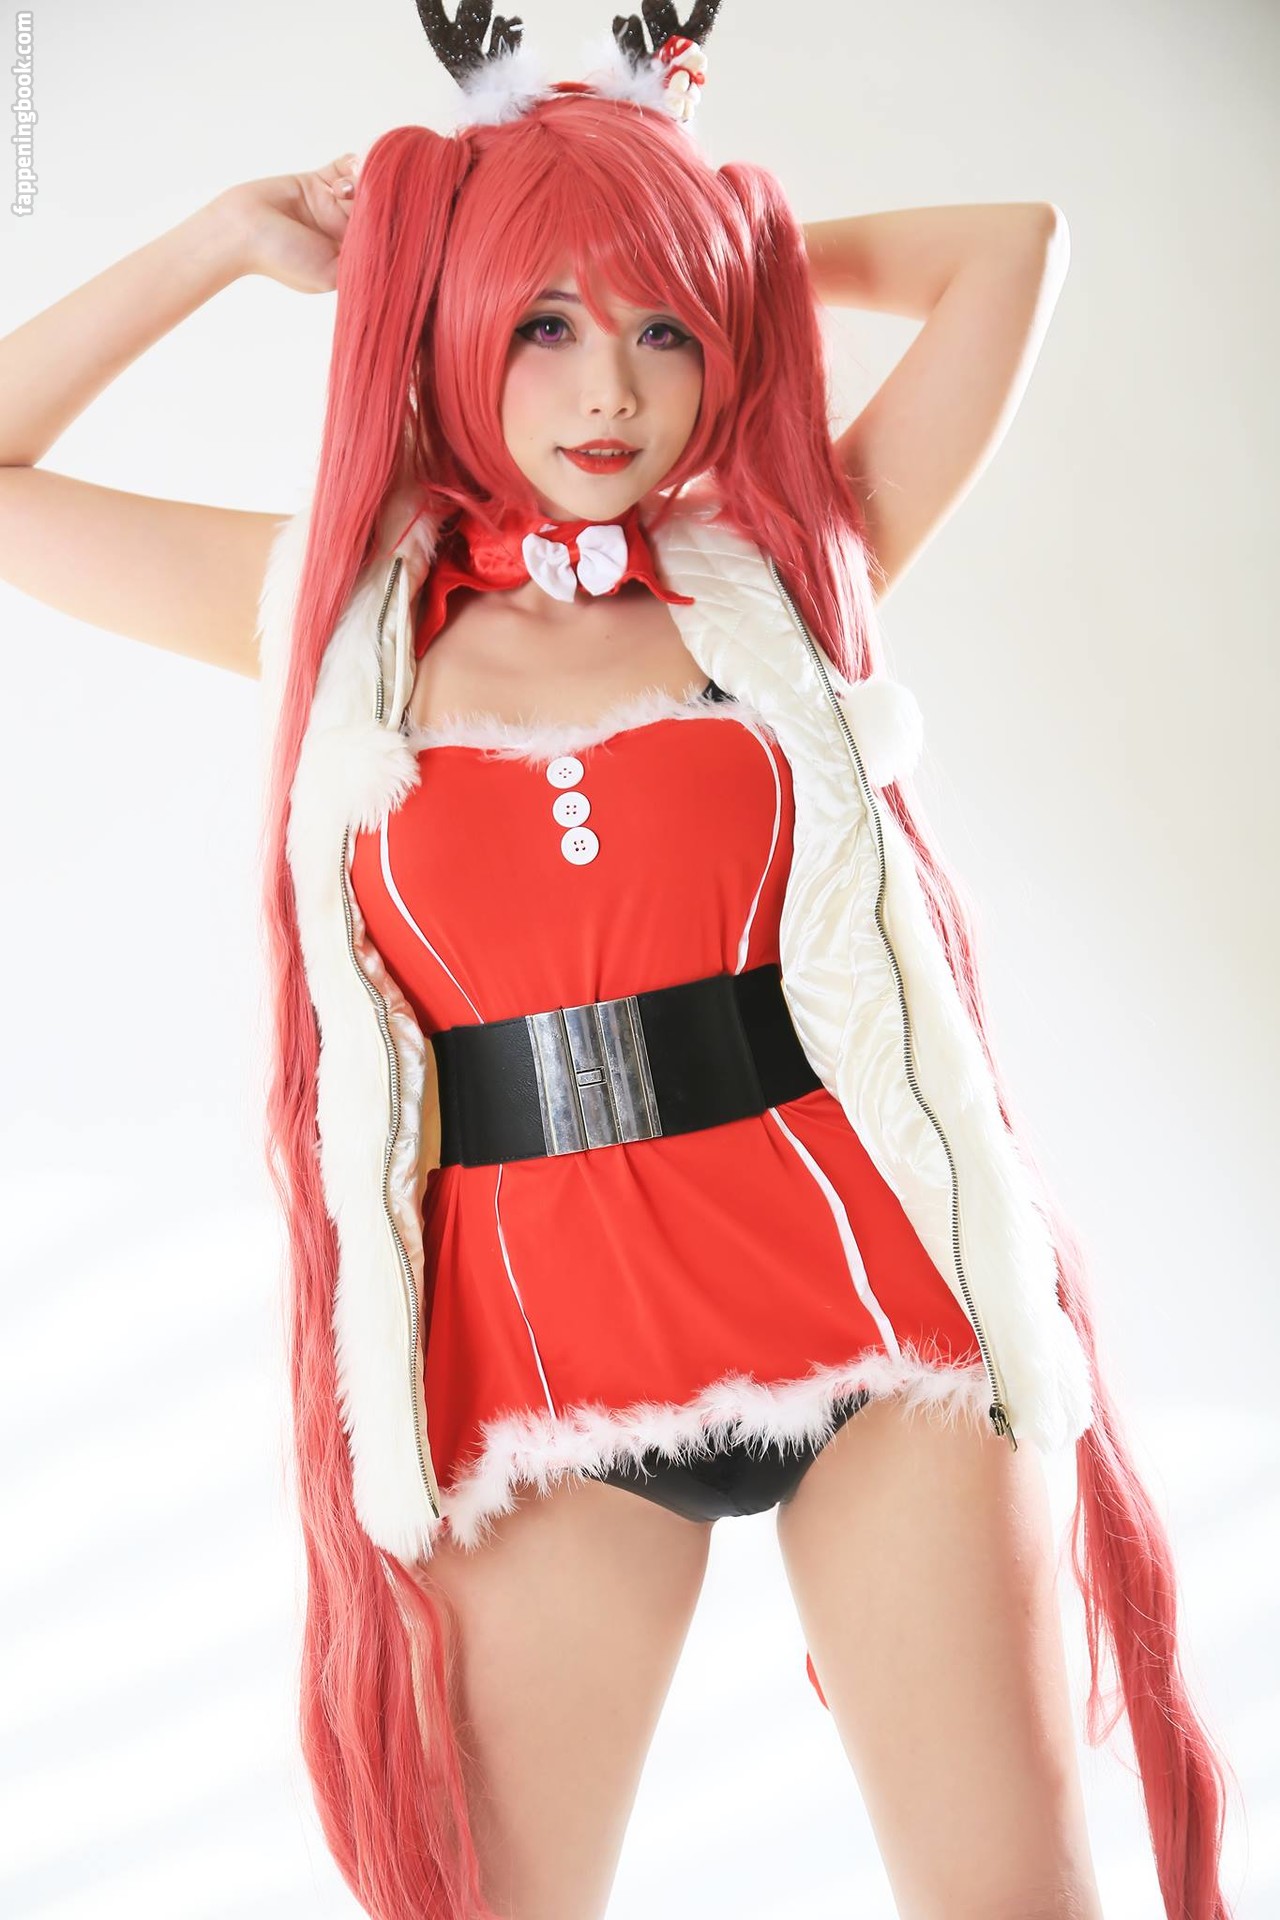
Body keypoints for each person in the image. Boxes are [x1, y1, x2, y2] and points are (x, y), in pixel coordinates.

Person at [0, 8, 1239, 1920]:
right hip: (537, 1388)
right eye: (546, 322)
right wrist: (219, 243)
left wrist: (709, 244)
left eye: (666, 331)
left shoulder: (791, 573)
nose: (611, 390)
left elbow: (1019, 249)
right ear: (449, 322)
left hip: (879, 1319)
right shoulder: (333, 621)